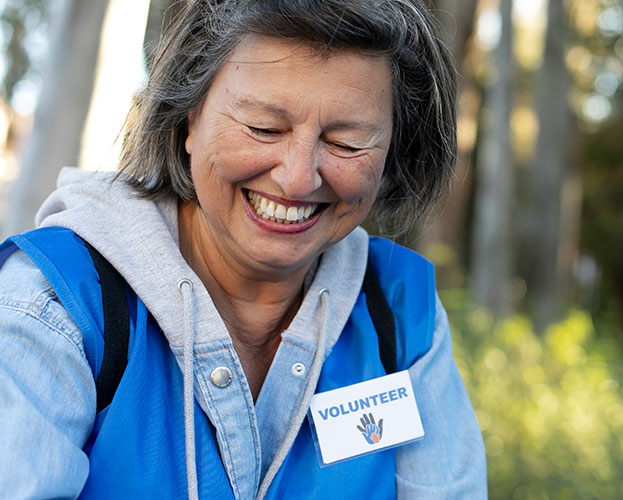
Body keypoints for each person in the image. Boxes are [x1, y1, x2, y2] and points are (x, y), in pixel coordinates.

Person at [0, 0, 487, 498]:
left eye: (346, 142)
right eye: (263, 128)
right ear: (189, 118)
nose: (297, 178)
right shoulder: (56, 306)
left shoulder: (400, 317)